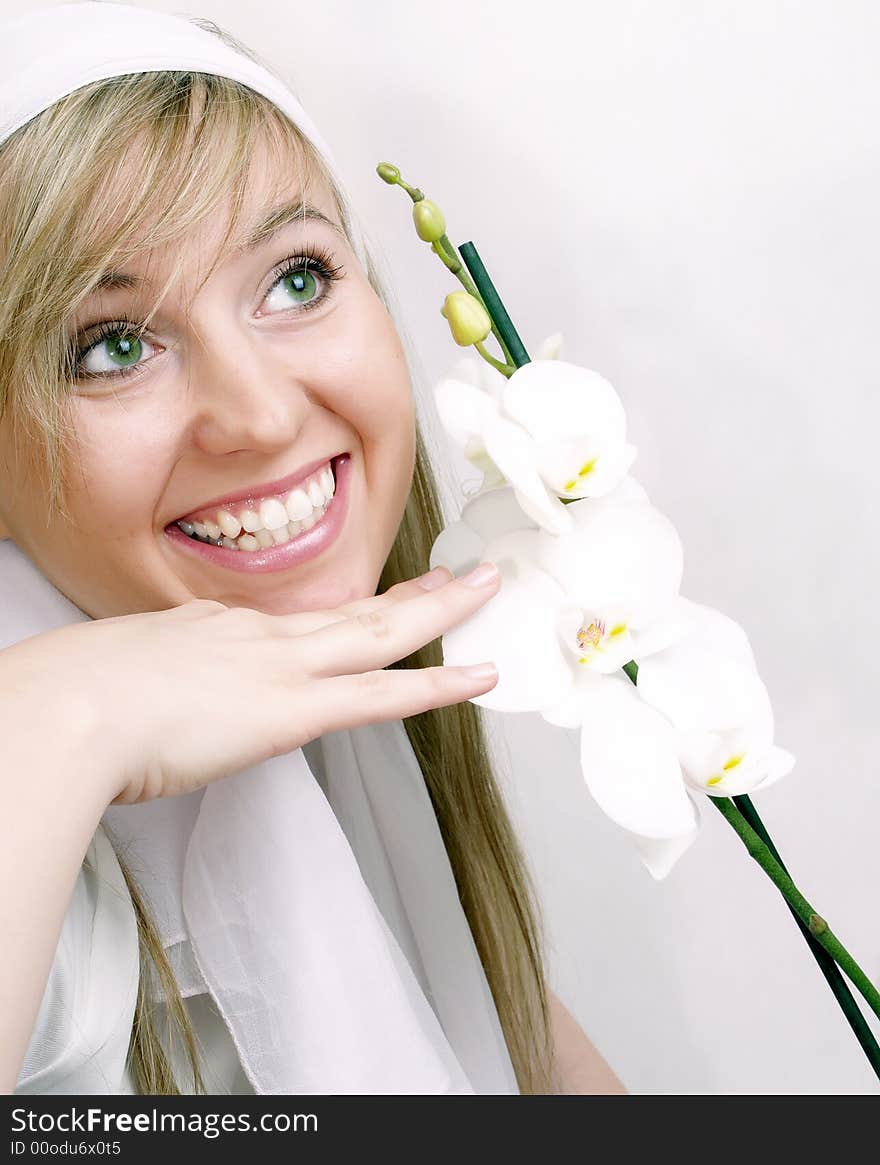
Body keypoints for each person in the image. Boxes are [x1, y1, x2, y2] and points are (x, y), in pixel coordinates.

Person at [0, 2, 625, 1096]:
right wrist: (60, 718)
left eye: (296, 279)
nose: (262, 415)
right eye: (110, 346)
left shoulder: (344, 759)